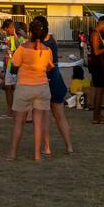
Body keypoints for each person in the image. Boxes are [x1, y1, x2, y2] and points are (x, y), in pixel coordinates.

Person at [7, 17, 54, 160]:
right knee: (38, 122)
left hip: (24, 87)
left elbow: (14, 66)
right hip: (42, 87)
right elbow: (49, 67)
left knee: (18, 122)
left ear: (30, 32)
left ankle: (13, 153)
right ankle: (37, 154)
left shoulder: (22, 48)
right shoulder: (48, 50)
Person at [40, 24, 75, 155]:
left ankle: (47, 147)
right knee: (60, 117)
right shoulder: (52, 40)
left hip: (45, 79)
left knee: (45, 116)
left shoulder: (40, 45)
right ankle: (69, 146)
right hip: (56, 78)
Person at [87, 17, 104, 125]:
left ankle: (98, 114)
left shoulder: (98, 34)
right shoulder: (95, 34)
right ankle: (95, 117)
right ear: (102, 24)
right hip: (96, 66)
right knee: (99, 91)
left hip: (99, 65)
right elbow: (96, 52)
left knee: (101, 90)